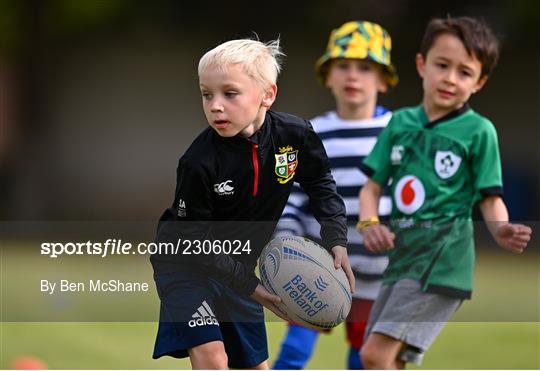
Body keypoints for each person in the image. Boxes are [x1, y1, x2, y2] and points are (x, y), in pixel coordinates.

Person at [149, 38, 355, 370]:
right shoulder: (198, 162)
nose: (215, 105)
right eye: (206, 94)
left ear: (267, 95)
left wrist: (336, 239)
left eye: (229, 94)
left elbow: (320, 184)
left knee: (254, 366)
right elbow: (194, 238)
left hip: (238, 267)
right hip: (184, 266)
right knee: (214, 357)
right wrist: (252, 286)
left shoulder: (295, 135)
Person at [357, 16, 533, 369]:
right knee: (389, 361)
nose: (451, 78)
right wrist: (370, 224)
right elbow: (371, 188)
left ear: (480, 82)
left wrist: (501, 229)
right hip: (403, 260)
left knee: (374, 356)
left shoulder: (479, 131)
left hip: (441, 263)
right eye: (442, 65)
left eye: (465, 72)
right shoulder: (400, 123)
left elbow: (490, 197)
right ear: (422, 65)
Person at [272, 20, 398, 370]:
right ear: (327, 76)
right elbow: (294, 195)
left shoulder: (397, 132)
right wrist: (286, 239)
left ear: (383, 80)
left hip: (377, 272)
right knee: (294, 352)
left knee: (363, 357)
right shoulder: (312, 133)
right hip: (317, 267)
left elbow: (409, 197)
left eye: (365, 68)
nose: (352, 76)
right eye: (342, 66)